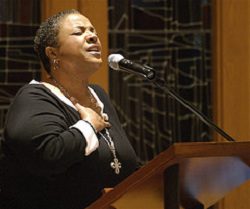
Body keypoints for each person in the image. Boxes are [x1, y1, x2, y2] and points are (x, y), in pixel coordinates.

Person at [1, 9, 138, 209]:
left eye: (93, 31)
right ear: (53, 53)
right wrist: (88, 126)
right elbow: (48, 156)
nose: (92, 36)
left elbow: (123, 164)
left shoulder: (99, 96)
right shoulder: (34, 97)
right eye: (79, 32)